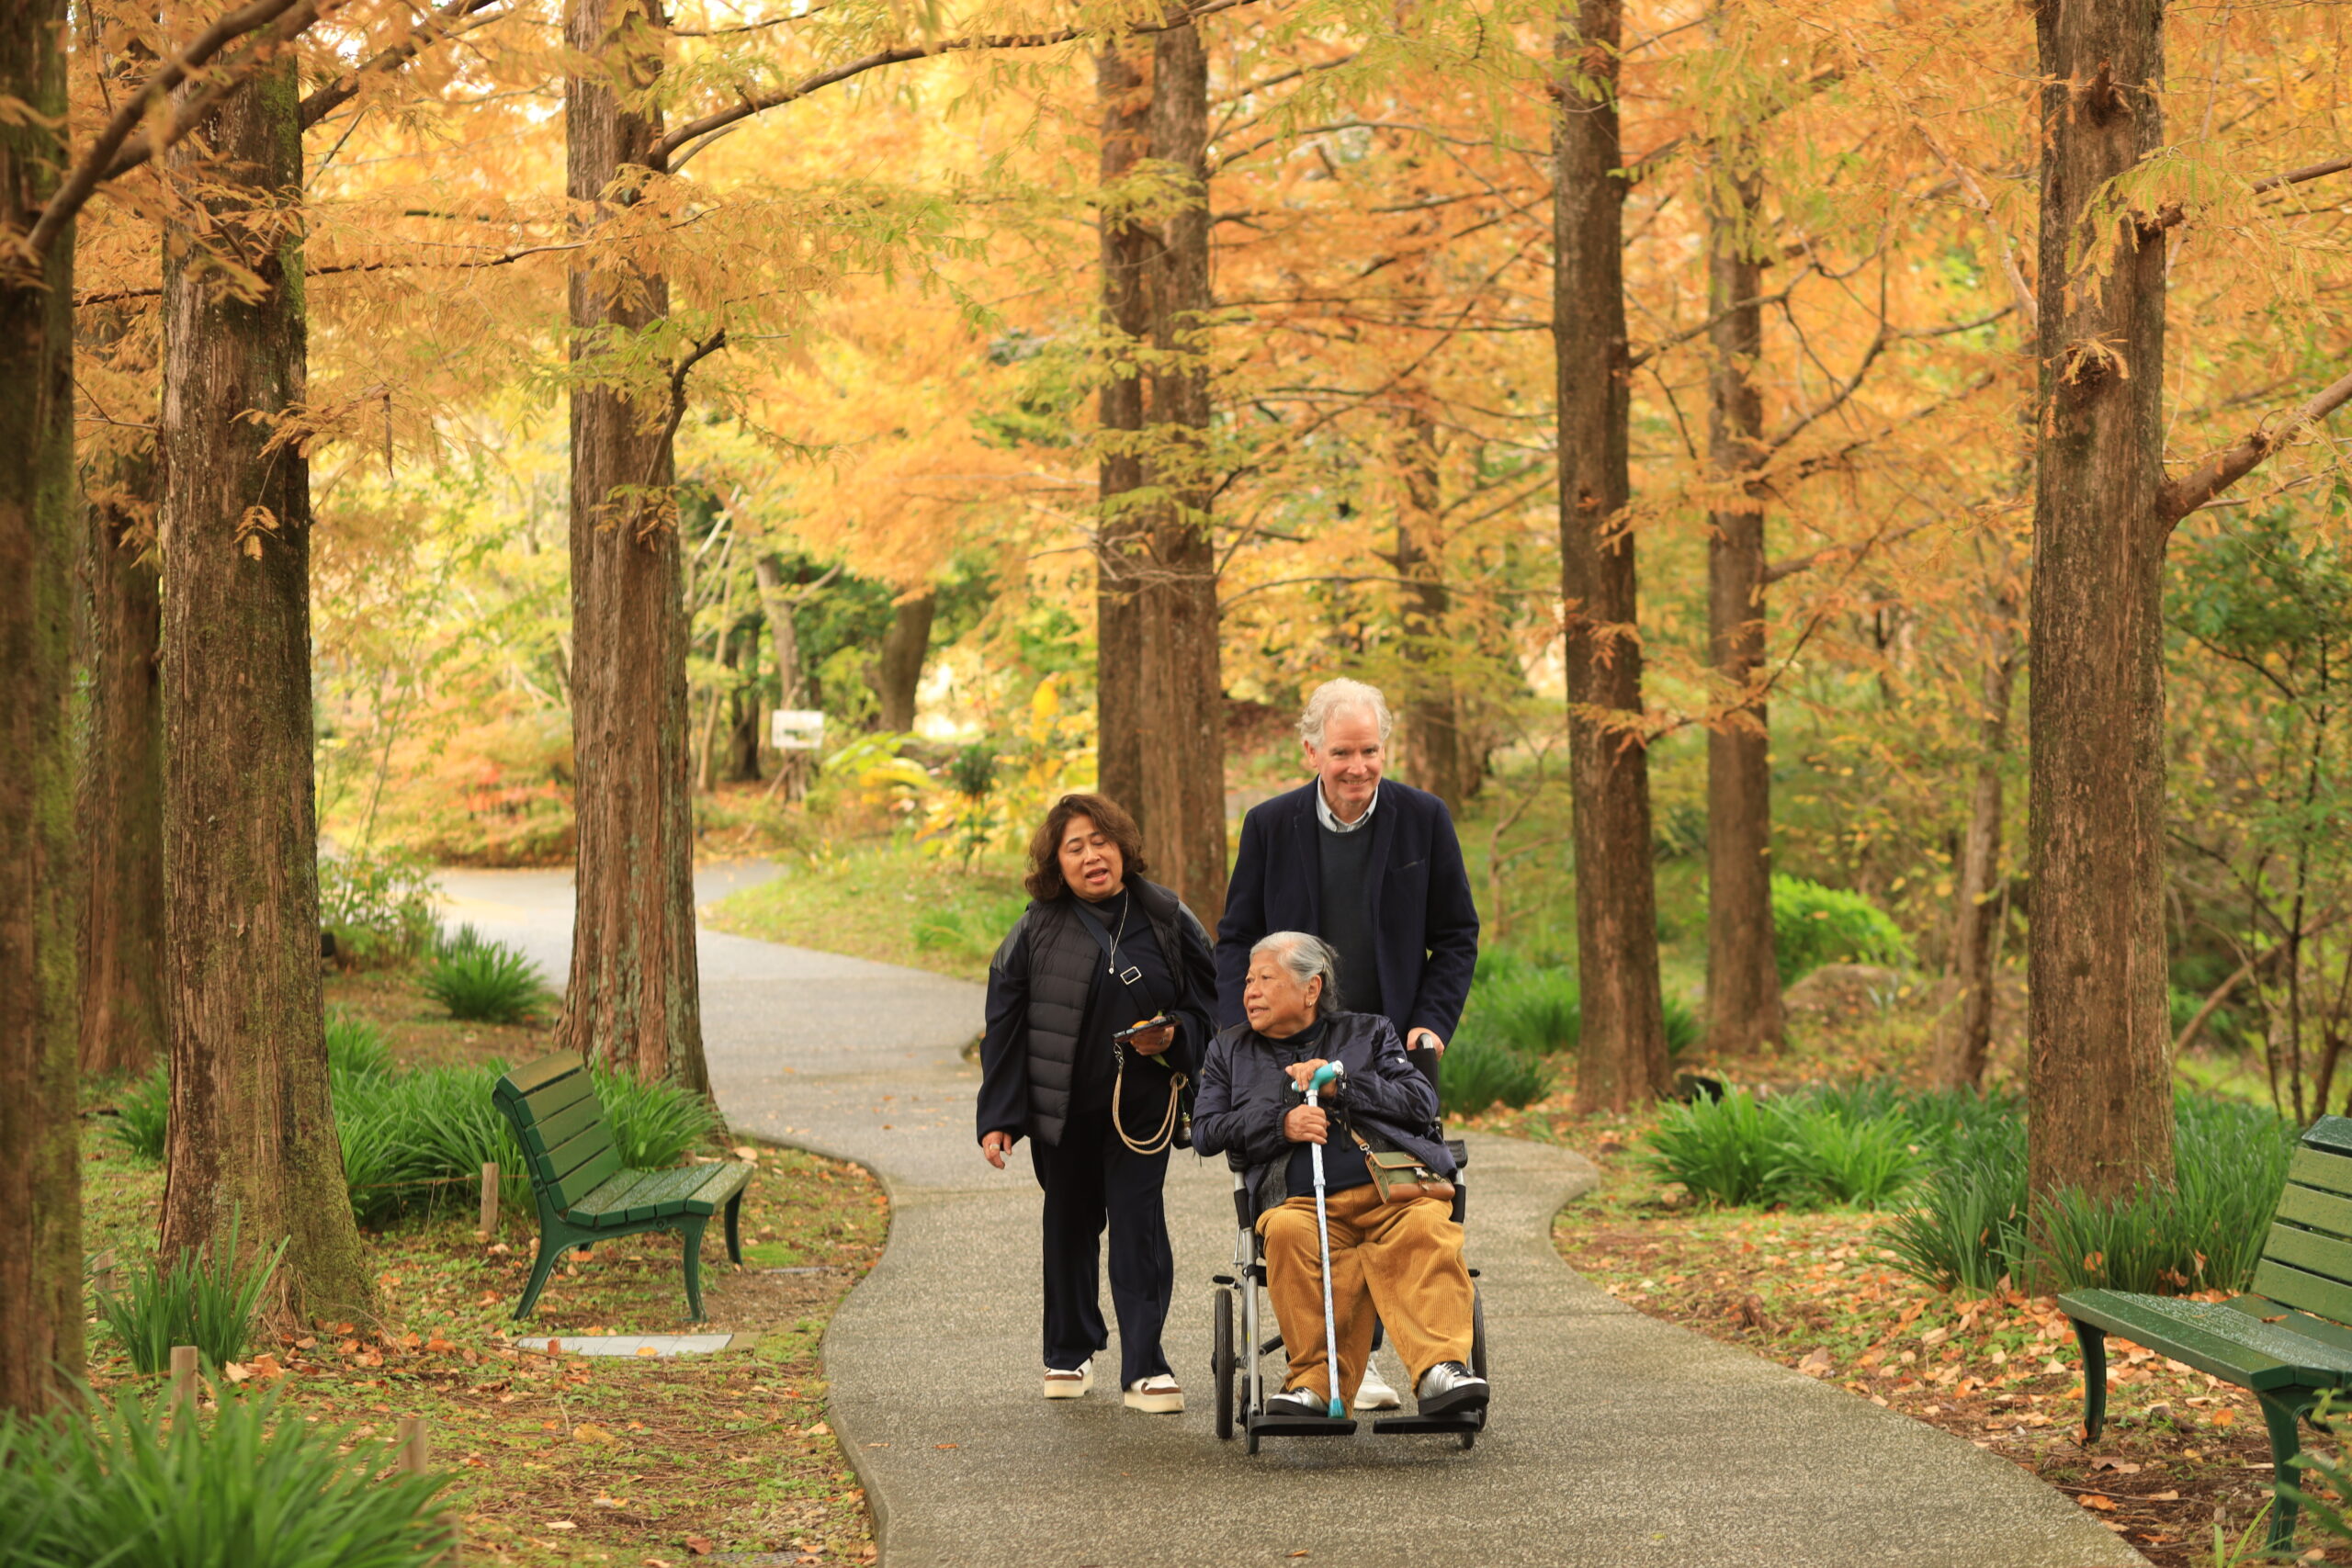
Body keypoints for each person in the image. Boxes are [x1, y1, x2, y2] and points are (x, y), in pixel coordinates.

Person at [1216, 676, 1480, 1407]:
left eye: (1369, 750)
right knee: (1310, 1199)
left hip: (1386, 1051)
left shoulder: (1423, 819)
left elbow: (1456, 935)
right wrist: (1238, 1034)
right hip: (1293, 1046)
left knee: (1395, 1192)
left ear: (1384, 748)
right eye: (1342, 752)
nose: (1357, 767)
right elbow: (1237, 936)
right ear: (1311, 750)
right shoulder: (1271, 826)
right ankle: (1338, 1368)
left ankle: (1409, 1362)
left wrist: (1432, 1021)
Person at [975, 793, 1216, 1413]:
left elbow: (1211, 1003)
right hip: (1061, 1110)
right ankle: (1068, 1350)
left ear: (1121, 846)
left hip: (1142, 1108)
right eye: (1074, 846)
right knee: (1068, 1226)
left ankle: (1145, 1366)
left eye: (1100, 841)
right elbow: (1003, 1022)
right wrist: (1000, 1117)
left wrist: (1177, 1035)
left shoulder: (1165, 913)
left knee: (1139, 1228)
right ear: (1057, 860)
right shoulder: (1036, 926)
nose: (1091, 856)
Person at [1193, 931, 1488, 1420]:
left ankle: (1441, 1370)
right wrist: (1280, 1123)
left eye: (1267, 978)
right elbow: (1204, 1131)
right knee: (1287, 1232)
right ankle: (1313, 1384)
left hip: (1392, 1191)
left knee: (1426, 1227)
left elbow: (1420, 1103)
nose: (1251, 991)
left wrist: (1343, 1085)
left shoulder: (1370, 1033)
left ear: (1312, 989)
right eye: (1248, 980)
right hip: (1300, 1203)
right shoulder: (1228, 1050)